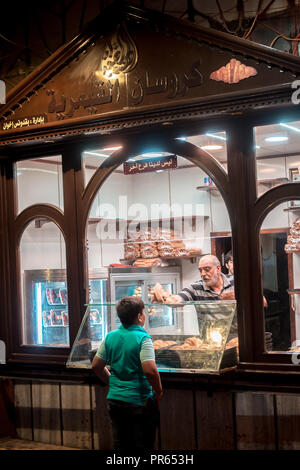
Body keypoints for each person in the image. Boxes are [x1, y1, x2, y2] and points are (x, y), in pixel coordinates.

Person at [91, 296, 163, 452]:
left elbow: (96, 365)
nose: (144, 315)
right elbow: (150, 369)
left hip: (115, 400)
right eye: (144, 312)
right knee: (142, 446)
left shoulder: (110, 336)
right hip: (139, 401)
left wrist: (111, 382)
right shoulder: (143, 338)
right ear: (139, 316)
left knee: (120, 445)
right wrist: (158, 390)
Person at [151, 254, 235, 304]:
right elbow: (179, 298)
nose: (203, 274)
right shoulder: (196, 288)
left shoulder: (236, 282)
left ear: (218, 269)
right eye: (200, 270)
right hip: (209, 333)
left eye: (207, 269)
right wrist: (164, 298)